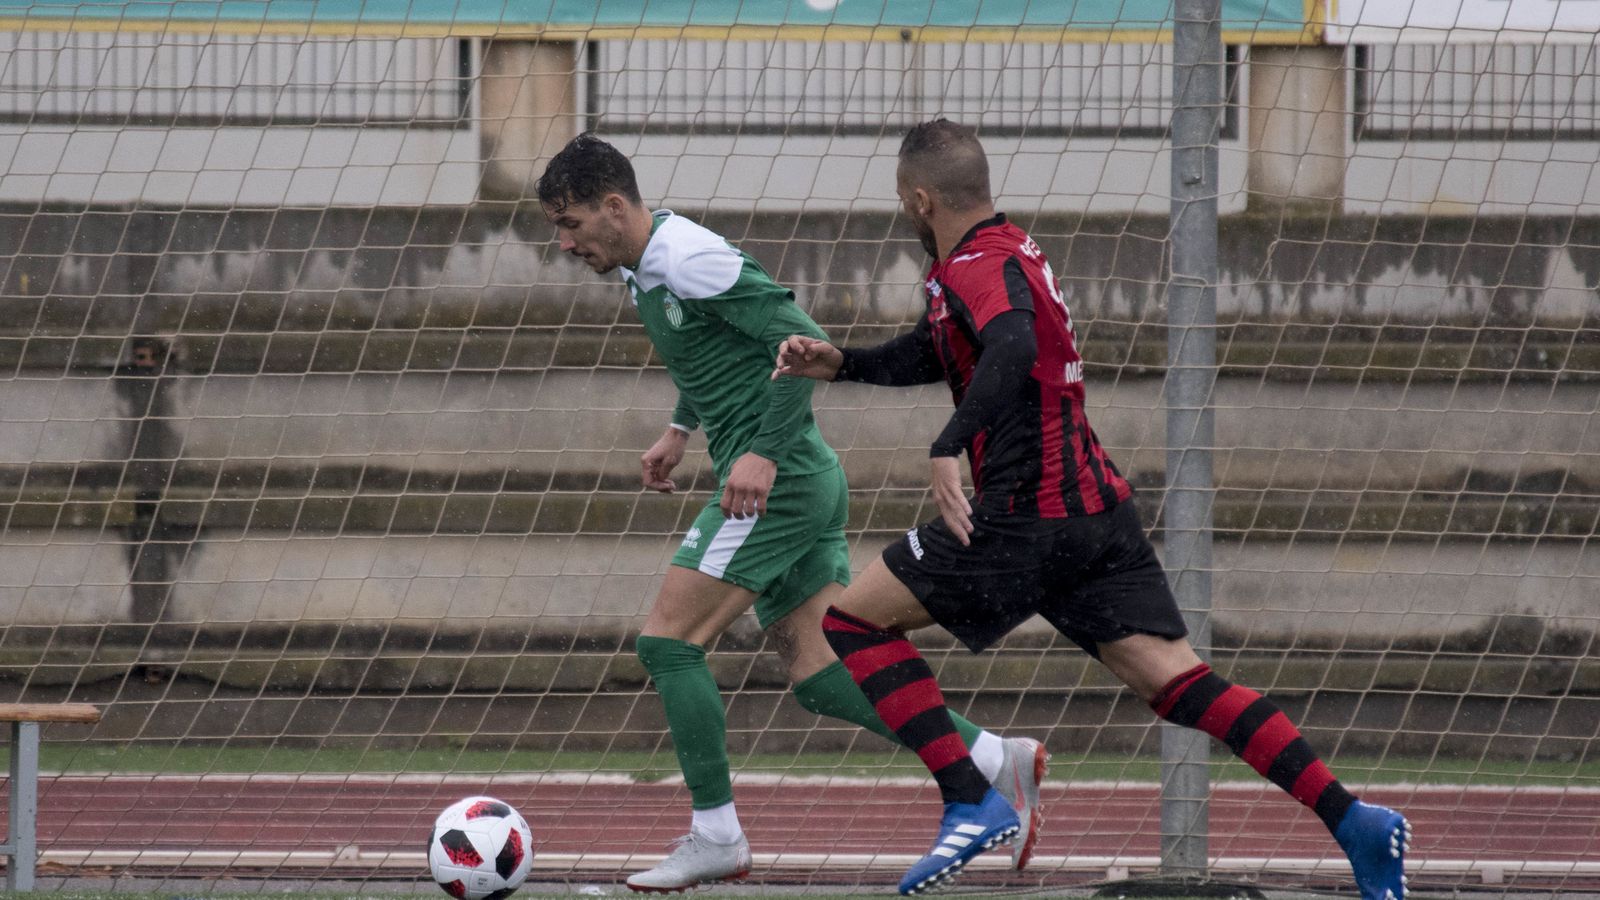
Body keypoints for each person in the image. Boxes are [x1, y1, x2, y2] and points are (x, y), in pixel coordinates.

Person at [775, 118, 1411, 898]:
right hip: (1094, 514)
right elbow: (941, 349)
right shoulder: (1001, 253)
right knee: (1178, 683)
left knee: (852, 622)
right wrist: (843, 364)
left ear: (919, 198)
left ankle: (971, 797)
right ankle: (1357, 823)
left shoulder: (977, 266)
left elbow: (1010, 346)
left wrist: (950, 442)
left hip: (1025, 515)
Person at [535, 134, 1048, 894]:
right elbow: (716, 348)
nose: (564, 243)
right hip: (796, 482)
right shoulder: (648, 262)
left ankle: (717, 836)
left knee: (669, 643)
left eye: (570, 224)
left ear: (614, 207)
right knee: (817, 673)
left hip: (781, 486)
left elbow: (800, 342)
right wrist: (681, 429)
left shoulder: (688, 257)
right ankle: (992, 758)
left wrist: (763, 453)